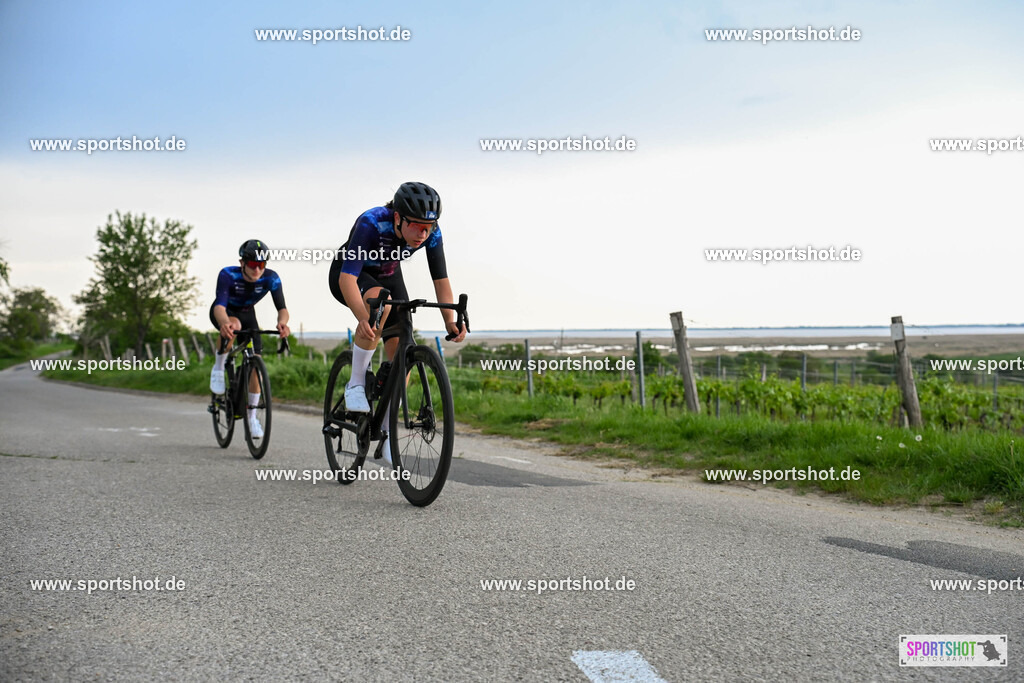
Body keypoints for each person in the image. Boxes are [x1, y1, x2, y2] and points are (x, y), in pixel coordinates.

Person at [328, 182, 467, 465]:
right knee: (381, 306)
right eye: (417, 226)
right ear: (397, 218)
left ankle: (387, 433)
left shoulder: (432, 232)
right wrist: (363, 318)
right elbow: (347, 279)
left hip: (389, 275)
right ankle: (356, 383)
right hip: (352, 274)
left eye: (428, 227)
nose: (423, 233)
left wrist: (449, 321)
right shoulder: (371, 222)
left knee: (402, 354)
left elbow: (441, 279)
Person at [210, 240, 290, 438]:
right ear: (242, 263)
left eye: (261, 265)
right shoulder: (228, 274)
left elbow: (282, 309)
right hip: (225, 312)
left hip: (248, 315)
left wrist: (282, 323)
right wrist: (224, 323)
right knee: (234, 326)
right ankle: (219, 367)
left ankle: (252, 417)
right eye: (253, 264)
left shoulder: (271, 278)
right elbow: (219, 306)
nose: (257, 270)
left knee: (256, 364)